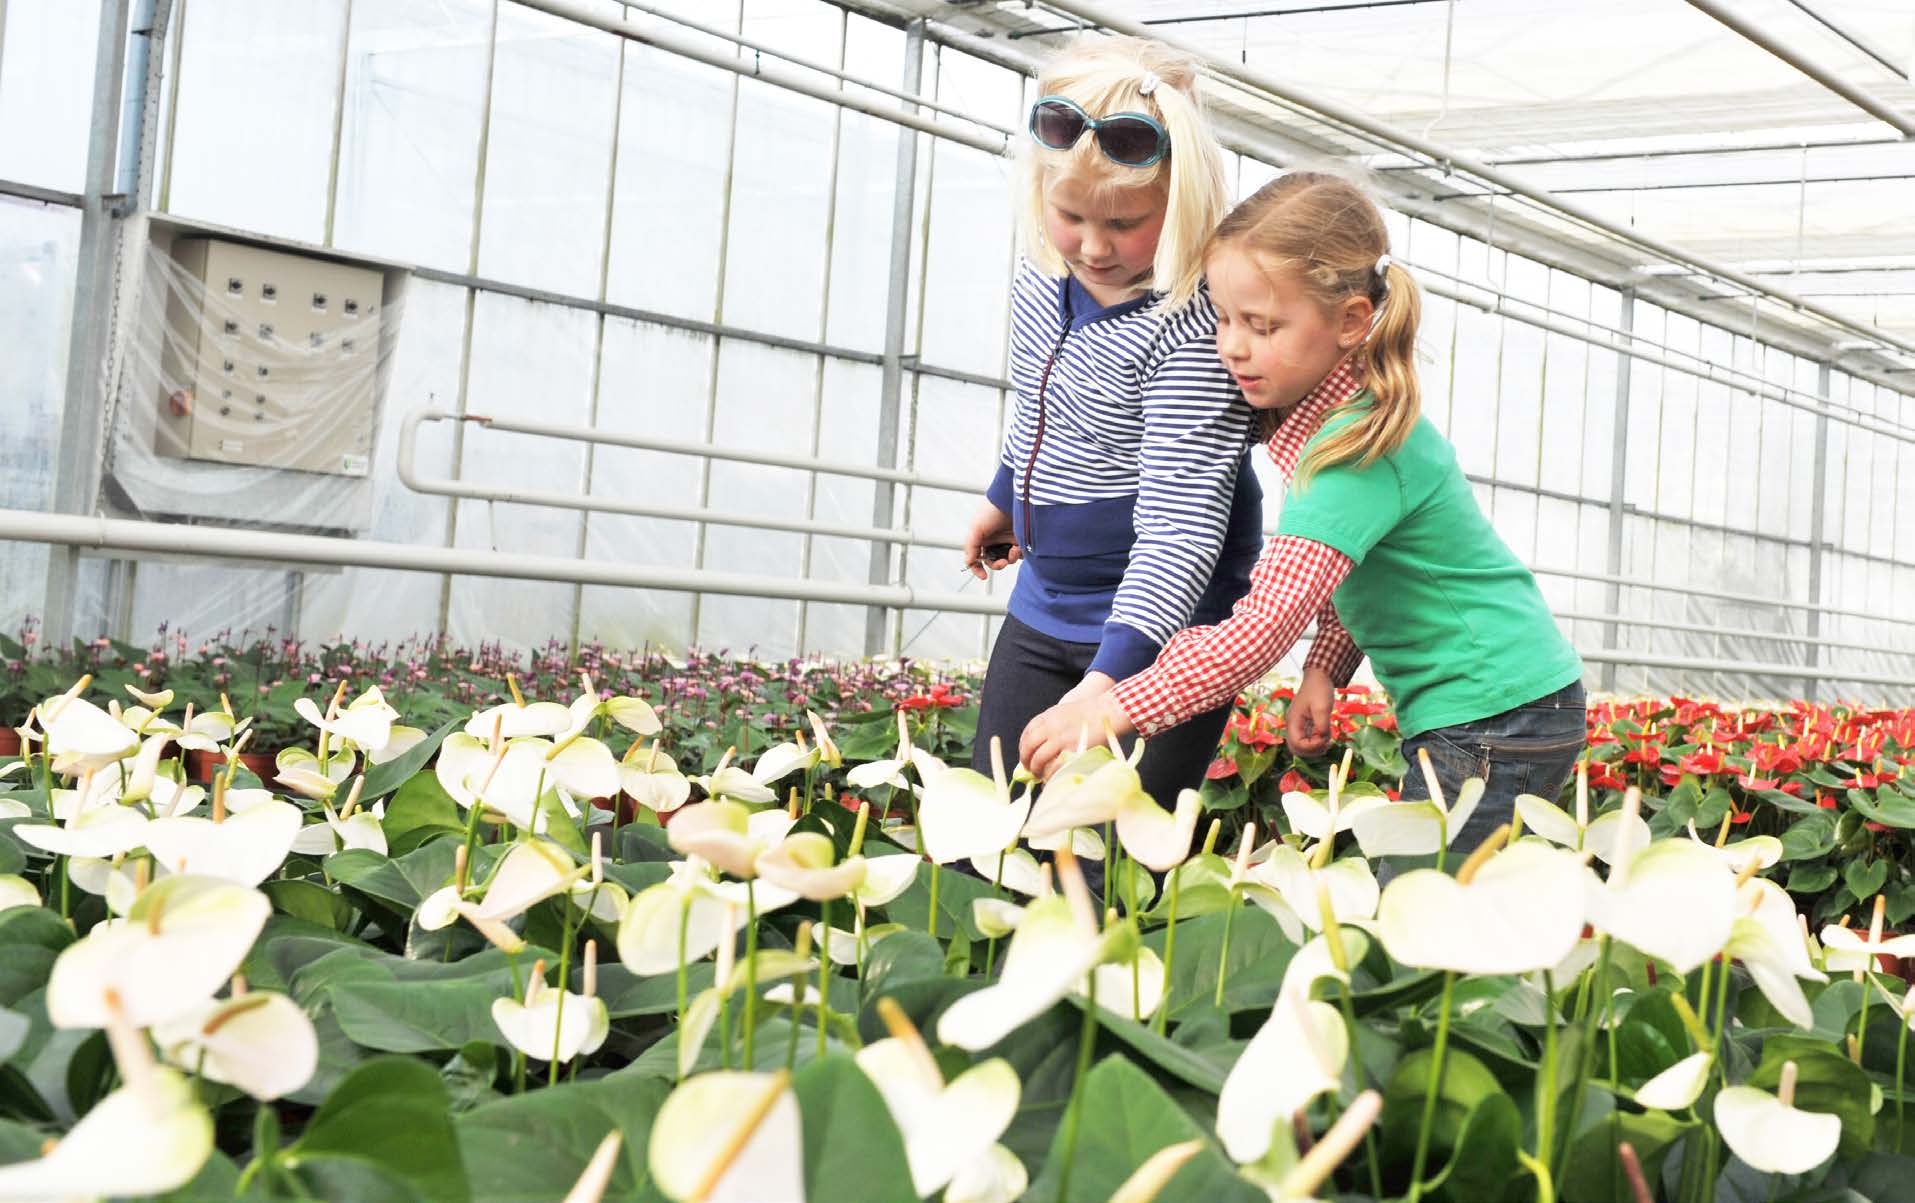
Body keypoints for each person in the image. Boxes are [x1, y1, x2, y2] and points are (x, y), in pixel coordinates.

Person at [1019, 171, 1587, 858]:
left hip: (1498, 719)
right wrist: (1324, 666)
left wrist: (1114, 709)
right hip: (1506, 707)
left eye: (1261, 325)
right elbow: (1363, 571)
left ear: (1349, 322)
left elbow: (1260, 631)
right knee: (1445, 906)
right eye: (1222, 318)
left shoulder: (1350, 452)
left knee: (1421, 916)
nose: (1231, 345)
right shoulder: (1347, 421)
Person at [960, 36, 1265, 807]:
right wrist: (1007, 498)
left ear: (1184, 203)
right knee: (990, 828)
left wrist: (1107, 686)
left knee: (1104, 860)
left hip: (1162, 635)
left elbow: (1182, 528)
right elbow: (1040, 400)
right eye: (1069, 215)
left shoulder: (1189, 326)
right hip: (1046, 600)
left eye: (1125, 224)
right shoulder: (1043, 272)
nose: (1093, 247)